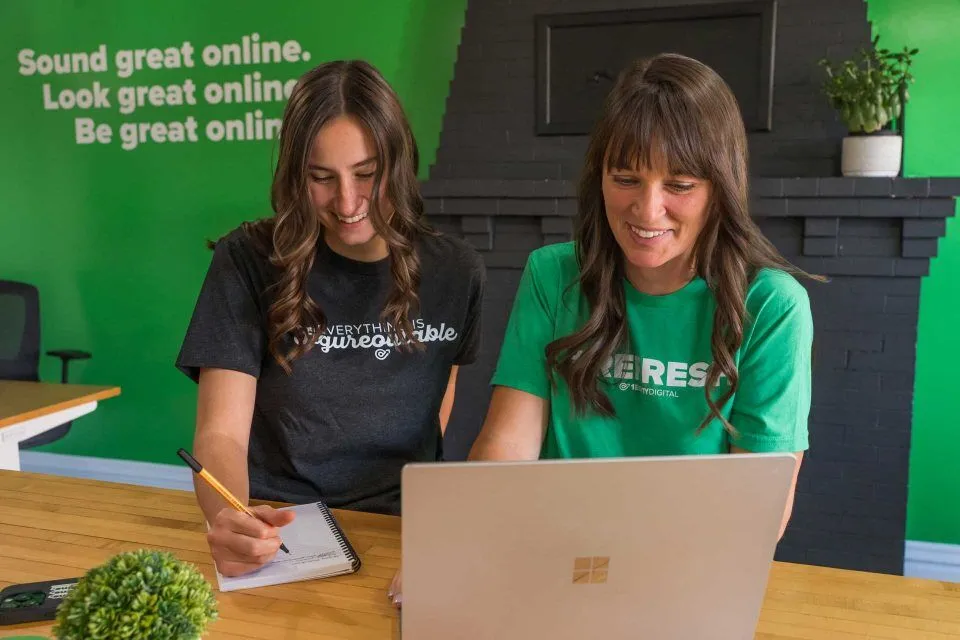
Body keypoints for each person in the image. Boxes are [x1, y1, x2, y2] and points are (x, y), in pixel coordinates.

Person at [469, 53, 818, 539]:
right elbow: (507, 446)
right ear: (601, 178)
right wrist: (456, 547)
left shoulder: (773, 306)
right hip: (553, 547)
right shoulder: (552, 274)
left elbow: (756, 509)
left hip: (684, 564)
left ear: (721, 187)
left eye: (679, 185)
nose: (648, 210)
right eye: (626, 179)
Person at [175, 60, 485, 581]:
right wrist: (228, 513)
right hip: (284, 525)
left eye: (367, 175)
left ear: (399, 161)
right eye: (322, 178)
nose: (347, 202)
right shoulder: (246, 261)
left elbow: (438, 401)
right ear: (297, 176)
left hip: (409, 530)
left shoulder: (456, 271)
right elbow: (220, 434)